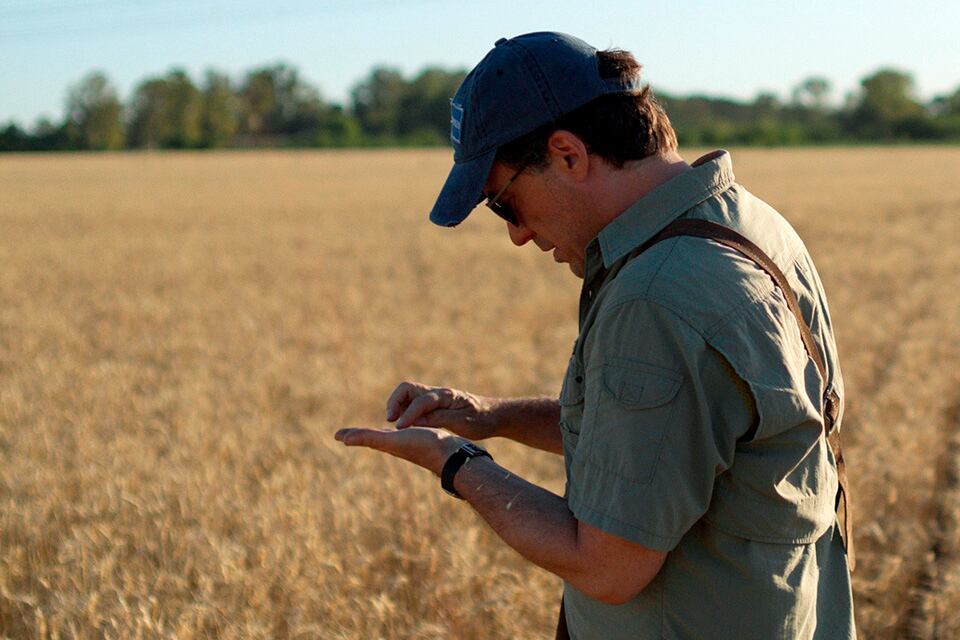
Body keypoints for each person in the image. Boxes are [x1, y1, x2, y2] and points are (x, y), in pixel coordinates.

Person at [335, 32, 856, 639]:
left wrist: (455, 463)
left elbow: (607, 566)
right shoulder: (746, 224)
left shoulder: (656, 298)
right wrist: (489, 416)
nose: (517, 235)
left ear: (568, 155)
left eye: (504, 202)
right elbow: (664, 445)